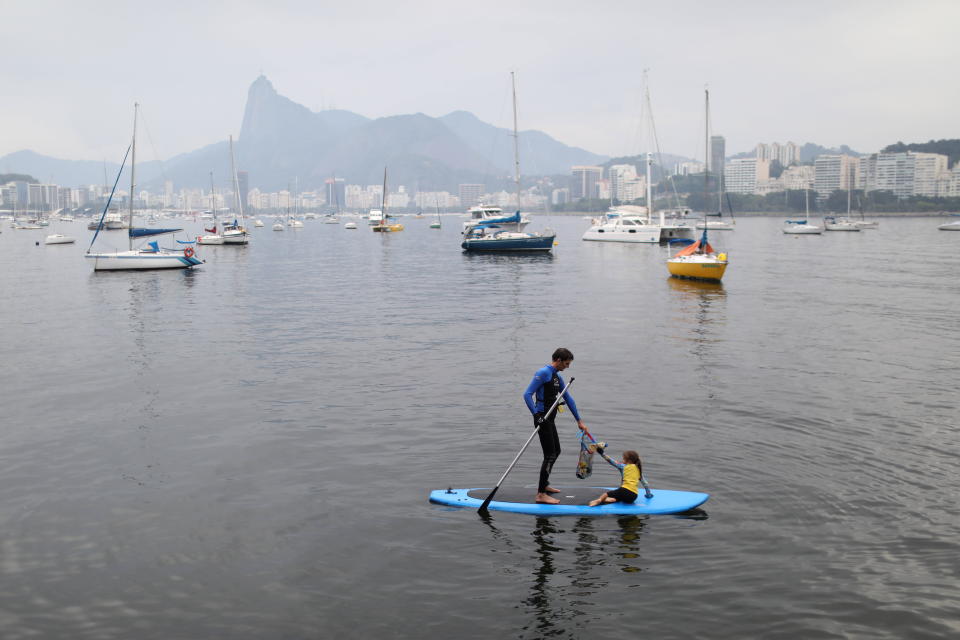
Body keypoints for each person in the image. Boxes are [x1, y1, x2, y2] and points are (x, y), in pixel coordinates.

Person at [523, 347, 587, 504]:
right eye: (566, 363)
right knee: (550, 454)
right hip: (542, 418)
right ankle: (540, 494)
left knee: (556, 451)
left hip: (551, 419)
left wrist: (579, 420)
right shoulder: (543, 372)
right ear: (558, 360)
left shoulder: (557, 377)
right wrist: (536, 415)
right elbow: (527, 394)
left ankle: (544, 485)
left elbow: (569, 399)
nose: (567, 366)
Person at [588, 448, 653, 507]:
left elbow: (611, 461)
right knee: (618, 497)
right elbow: (645, 484)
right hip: (633, 497)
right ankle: (613, 499)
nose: (622, 460)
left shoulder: (623, 466)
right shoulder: (639, 470)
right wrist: (648, 495)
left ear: (629, 460)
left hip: (624, 491)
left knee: (606, 494)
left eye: (623, 458)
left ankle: (599, 500)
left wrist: (602, 453)